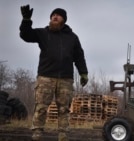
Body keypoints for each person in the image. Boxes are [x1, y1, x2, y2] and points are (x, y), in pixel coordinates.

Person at [19, 5, 88, 141]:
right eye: (52, 15)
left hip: (65, 79)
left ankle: (63, 135)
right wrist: (26, 20)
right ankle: (37, 133)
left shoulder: (72, 38)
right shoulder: (43, 33)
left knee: (64, 109)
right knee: (41, 107)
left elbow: (79, 56)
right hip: (45, 77)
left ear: (64, 19)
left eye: (58, 15)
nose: (54, 17)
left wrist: (83, 73)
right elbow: (25, 35)